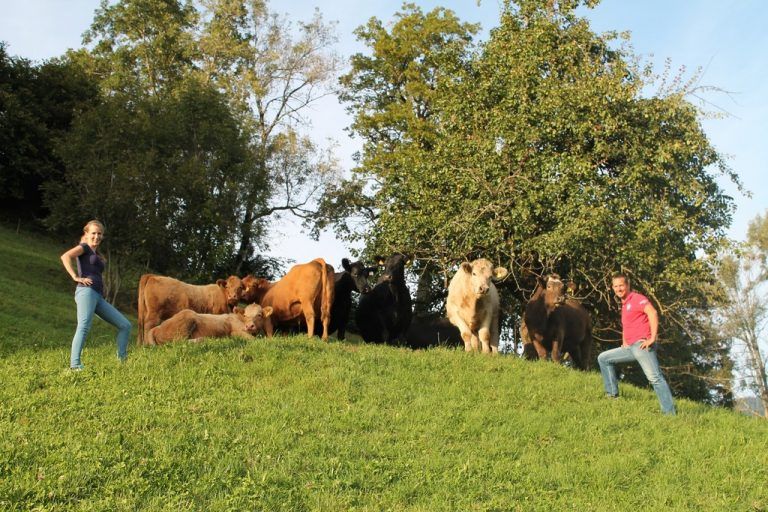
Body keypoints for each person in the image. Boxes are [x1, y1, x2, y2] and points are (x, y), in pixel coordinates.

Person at [597, 273, 676, 415]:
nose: (618, 288)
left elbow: (653, 313)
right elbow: (628, 325)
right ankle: (612, 396)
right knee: (604, 358)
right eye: (615, 286)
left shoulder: (637, 299)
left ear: (627, 285)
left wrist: (652, 338)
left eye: (621, 285)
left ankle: (669, 413)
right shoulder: (625, 303)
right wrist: (624, 342)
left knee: (655, 378)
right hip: (630, 347)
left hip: (641, 345)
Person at [60, 220, 131, 370]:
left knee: (125, 325)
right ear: (86, 234)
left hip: (98, 296)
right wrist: (75, 276)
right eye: (93, 233)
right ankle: (75, 365)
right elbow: (65, 256)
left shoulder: (97, 254)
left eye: (99, 234)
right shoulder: (84, 247)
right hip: (86, 292)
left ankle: (122, 361)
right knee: (84, 326)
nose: (96, 236)